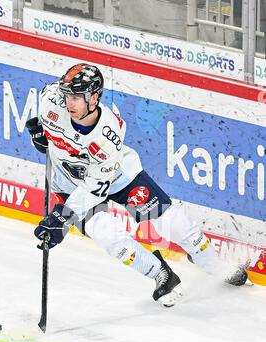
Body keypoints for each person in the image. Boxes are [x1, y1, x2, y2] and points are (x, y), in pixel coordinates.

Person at [26, 63, 247, 308]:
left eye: (77, 98)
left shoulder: (108, 135)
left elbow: (96, 187)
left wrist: (63, 216)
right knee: (107, 236)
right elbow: (46, 124)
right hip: (69, 183)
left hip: (118, 177)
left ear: (94, 98)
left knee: (172, 223)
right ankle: (161, 274)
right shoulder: (51, 98)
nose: (69, 103)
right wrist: (41, 135)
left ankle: (211, 262)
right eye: (68, 95)